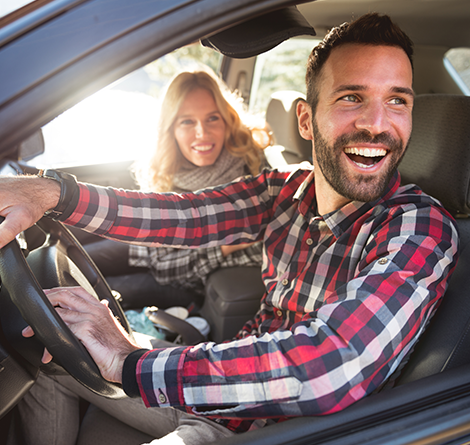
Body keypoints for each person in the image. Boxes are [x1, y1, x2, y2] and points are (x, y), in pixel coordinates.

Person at [0, 12, 460, 445]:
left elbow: (331, 364)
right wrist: (51, 195)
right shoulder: (285, 191)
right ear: (306, 118)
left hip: (272, 429)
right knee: (51, 354)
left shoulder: (419, 229)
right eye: (351, 98)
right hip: (218, 382)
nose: (376, 123)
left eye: (397, 100)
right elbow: (179, 215)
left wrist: (128, 360)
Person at [79, 69, 268, 311]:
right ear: (171, 128)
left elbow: (167, 269)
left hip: (188, 282)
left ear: (227, 120)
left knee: (97, 293)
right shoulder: (169, 167)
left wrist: (225, 247)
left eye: (212, 118)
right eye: (187, 121)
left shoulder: (254, 170)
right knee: (77, 261)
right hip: (151, 250)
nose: (202, 133)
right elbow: (157, 247)